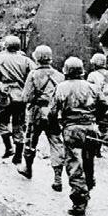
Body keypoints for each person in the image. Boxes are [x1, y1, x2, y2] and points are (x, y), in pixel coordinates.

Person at [48, 57, 108, 216]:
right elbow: (104, 105)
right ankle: (88, 185)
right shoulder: (92, 87)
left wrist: (55, 128)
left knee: (74, 164)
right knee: (89, 161)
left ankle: (79, 203)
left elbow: (52, 112)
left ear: (66, 71)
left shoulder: (61, 87)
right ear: (82, 71)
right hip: (91, 128)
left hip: (72, 129)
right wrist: (94, 118)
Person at [19, 45, 65, 191]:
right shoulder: (60, 76)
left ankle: (28, 168)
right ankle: (57, 178)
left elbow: (26, 97)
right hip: (53, 114)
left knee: (30, 140)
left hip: (36, 113)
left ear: (36, 58)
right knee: (56, 143)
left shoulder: (33, 75)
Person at [0, 35, 36, 164]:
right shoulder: (26, 60)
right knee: (19, 124)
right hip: (21, 95)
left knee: (1, 121)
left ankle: (8, 147)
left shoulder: (0, 59)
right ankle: (18, 155)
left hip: (6, 95)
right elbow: (34, 75)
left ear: (6, 46)